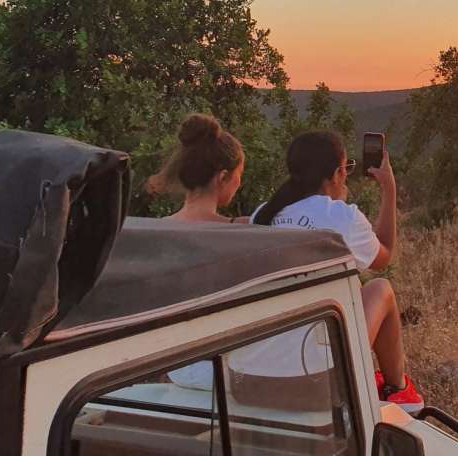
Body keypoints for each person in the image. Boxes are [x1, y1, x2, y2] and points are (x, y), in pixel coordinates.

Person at [247, 130, 423, 411]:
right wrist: (389, 191)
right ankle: (397, 388)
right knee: (380, 288)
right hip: (313, 381)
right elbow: (384, 256)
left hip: (247, 379)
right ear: (336, 173)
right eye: (346, 168)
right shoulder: (343, 217)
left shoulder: (263, 214)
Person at [147, 113, 247, 391]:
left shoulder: (154, 232)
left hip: (171, 366)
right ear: (223, 177)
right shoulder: (243, 233)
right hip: (222, 370)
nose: (239, 185)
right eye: (238, 177)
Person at [147, 113, 248, 224]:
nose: (239, 183)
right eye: (240, 174)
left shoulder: (158, 227)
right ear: (223, 177)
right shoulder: (245, 231)